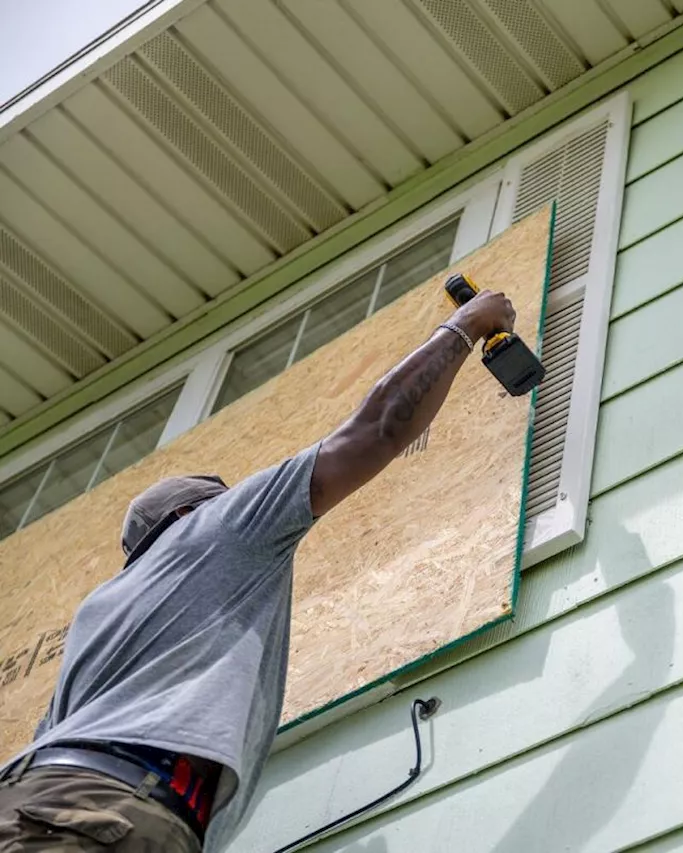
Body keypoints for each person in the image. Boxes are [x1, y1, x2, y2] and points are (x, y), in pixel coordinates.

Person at [0, 289, 517, 852]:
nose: (248, 507)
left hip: (41, 803)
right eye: (231, 499)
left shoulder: (97, 615)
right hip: (102, 811)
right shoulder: (211, 530)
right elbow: (375, 432)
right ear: (187, 514)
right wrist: (468, 324)